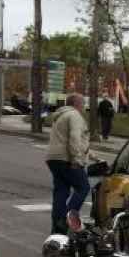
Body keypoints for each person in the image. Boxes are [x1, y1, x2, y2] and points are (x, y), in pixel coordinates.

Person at [46, 93, 91, 234]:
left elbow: (67, 139)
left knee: (61, 192)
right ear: (77, 104)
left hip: (54, 158)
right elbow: (74, 139)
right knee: (83, 187)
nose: (84, 107)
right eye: (83, 104)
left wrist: (93, 156)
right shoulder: (75, 116)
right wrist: (77, 160)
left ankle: (57, 228)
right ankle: (67, 219)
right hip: (67, 158)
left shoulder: (60, 115)